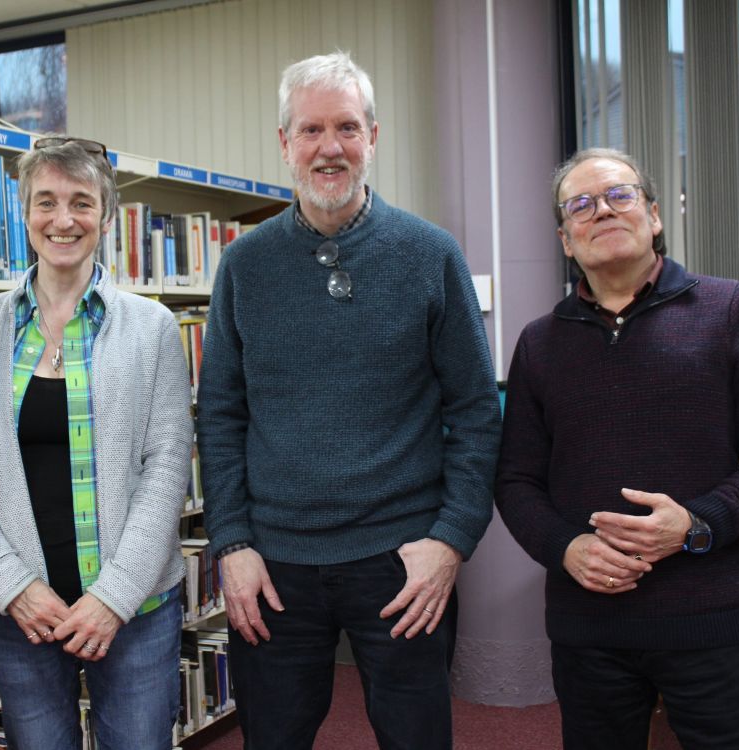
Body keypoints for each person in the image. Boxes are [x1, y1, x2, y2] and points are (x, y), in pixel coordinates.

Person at [195, 51, 501, 750]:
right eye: (310, 130)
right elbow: (220, 416)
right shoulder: (244, 264)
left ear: (373, 137)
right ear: (284, 143)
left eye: (346, 128)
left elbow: (476, 412)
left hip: (402, 561)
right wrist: (232, 543)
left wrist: (450, 541)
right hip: (273, 564)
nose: (328, 147)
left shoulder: (430, 254)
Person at [495, 147, 739, 749]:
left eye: (620, 195)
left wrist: (696, 523)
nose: (603, 211)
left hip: (710, 621)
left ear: (654, 214)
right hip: (588, 628)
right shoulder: (539, 343)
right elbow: (515, 480)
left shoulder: (730, 310)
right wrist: (565, 548)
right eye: (581, 205)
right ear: (566, 240)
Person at [0, 136, 193, 750]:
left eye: (81, 202)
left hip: (135, 613)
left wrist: (114, 597)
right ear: (24, 214)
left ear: (106, 216)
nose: (63, 219)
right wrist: (12, 585)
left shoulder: (153, 327)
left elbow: (166, 467)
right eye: (45, 201)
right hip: (20, 616)